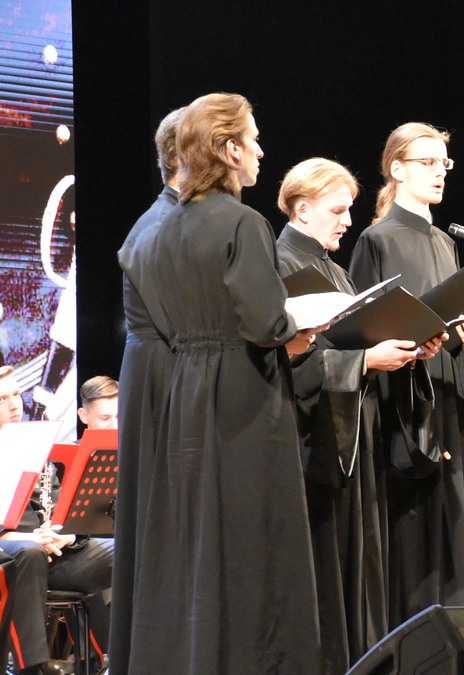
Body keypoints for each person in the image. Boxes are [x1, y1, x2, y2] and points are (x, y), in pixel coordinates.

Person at [120, 92, 321, 674]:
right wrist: (301, 329)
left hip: (182, 393)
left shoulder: (154, 228)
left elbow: (156, 327)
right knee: (251, 544)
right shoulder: (242, 222)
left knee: (194, 544)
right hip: (242, 393)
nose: (260, 151)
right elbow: (266, 324)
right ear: (229, 150)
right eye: (253, 140)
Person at [275, 157, 440, 671]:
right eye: (337, 211)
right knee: (326, 574)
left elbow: (355, 342)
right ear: (302, 209)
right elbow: (286, 365)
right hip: (314, 444)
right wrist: (367, 360)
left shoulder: (335, 270)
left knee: (359, 573)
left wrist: (411, 348)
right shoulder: (280, 264)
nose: (348, 221)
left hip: (353, 435)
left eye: (348, 209)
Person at [348, 122, 464, 625]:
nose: (439, 173)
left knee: (457, 542)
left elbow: (444, 322)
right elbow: (363, 333)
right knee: (415, 552)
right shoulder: (377, 239)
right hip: (406, 411)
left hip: (449, 396)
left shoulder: (444, 241)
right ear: (396, 169)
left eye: (443, 164)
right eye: (427, 163)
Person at [110, 107, 183, 675]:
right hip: (163, 379)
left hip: (156, 371)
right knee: (164, 527)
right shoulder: (166, 225)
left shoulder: (164, 219)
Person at [0, 365, 114, 675]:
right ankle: (29, 667)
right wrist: (17, 537)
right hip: (17, 552)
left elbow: (61, 506)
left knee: (134, 550)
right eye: (2, 399)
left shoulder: (33, 441)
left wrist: (66, 533)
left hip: (56, 552)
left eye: (16, 395)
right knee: (29, 551)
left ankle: (134, 656)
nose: (14, 405)